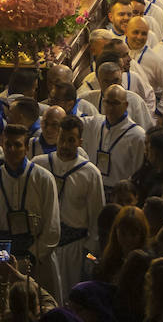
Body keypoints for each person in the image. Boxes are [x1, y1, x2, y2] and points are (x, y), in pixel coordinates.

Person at [32, 112, 103, 294]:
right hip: (43, 247)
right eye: (62, 139)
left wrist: (89, 255)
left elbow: (96, 220)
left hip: (74, 248)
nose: (64, 145)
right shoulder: (39, 165)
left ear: (80, 142)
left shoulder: (90, 173)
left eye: (71, 140)